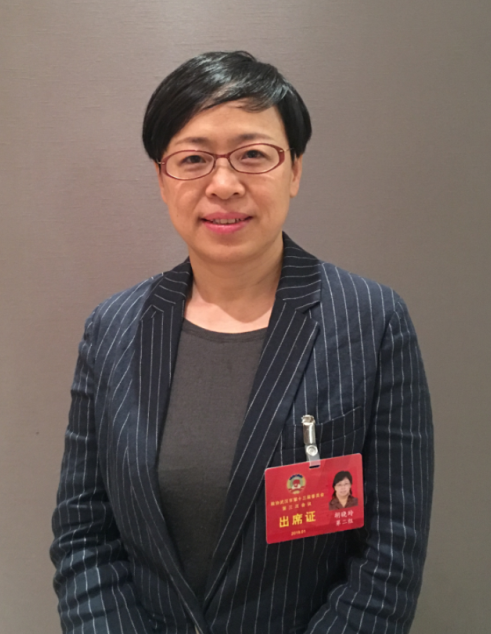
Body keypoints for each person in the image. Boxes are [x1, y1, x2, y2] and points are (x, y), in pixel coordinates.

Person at [50, 51, 434, 634]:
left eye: (253, 155)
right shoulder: (113, 327)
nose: (224, 185)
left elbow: (390, 555)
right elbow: (84, 534)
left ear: (295, 170)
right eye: (193, 159)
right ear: (162, 179)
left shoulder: (372, 321)